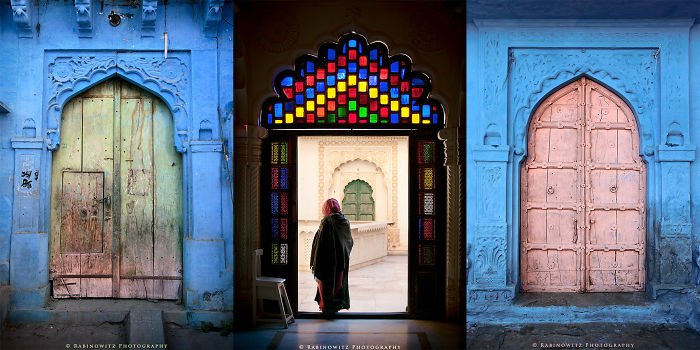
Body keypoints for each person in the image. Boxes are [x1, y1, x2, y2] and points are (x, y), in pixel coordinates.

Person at [310, 198, 353, 314]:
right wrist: (342, 253)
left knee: (326, 285)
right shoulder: (344, 221)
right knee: (337, 285)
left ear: (326, 208)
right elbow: (349, 241)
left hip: (327, 261)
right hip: (341, 261)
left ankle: (326, 309)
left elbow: (322, 242)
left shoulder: (327, 221)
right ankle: (334, 308)